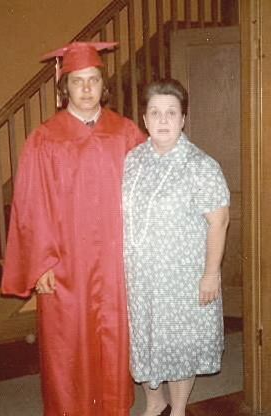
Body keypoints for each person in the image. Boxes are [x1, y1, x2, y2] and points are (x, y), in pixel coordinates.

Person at [1, 41, 145, 416]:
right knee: (67, 343)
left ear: (103, 84)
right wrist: (40, 264)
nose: (86, 89)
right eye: (78, 81)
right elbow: (30, 204)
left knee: (113, 338)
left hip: (115, 261)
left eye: (93, 80)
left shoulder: (126, 132)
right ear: (64, 88)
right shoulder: (45, 137)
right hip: (65, 262)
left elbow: (150, 192)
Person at [122, 79, 230, 416]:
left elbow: (219, 222)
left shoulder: (201, 166)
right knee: (146, 340)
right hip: (141, 278)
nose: (163, 120)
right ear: (144, 118)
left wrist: (210, 275)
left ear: (183, 119)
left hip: (183, 277)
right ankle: (154, 405)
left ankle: (179, 410)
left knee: (179, 345)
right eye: (155, 112)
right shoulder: (132, 161)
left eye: (171, 112)